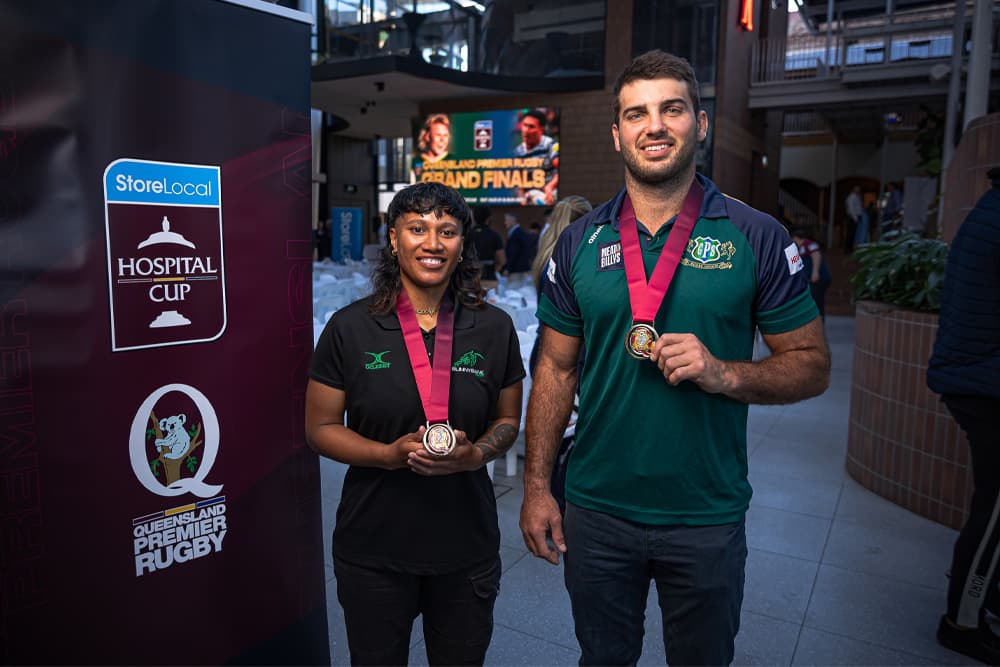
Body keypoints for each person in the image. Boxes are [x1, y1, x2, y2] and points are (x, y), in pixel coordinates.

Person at [519, 50, 830, 666]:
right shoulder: (581, 242)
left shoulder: (755, 235)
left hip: (705, 512)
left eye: (672, 109)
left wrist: (725, 372)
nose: (653, 125)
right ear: (617, 133)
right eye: (636, 113)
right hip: (598, 509)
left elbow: (813, 363)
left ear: (701, 123)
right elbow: (553, 370)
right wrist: (535, 488)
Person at [305, 182, 525, 666]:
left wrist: (478, 453)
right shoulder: (349, 327)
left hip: (465, 549)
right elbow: (319, 427)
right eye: (417, 228)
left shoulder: (494, 327)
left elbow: (508, 419)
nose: (432, 243)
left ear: (462, 243)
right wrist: (385, 455)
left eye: (446, 231)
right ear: (393, 238)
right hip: (374, 548)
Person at [926, 167, 1000, 665]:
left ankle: (980, 590)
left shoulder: (987, 210)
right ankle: (964, 620)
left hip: (973, 376)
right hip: (984, 383)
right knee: (996, 511)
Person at [515, 109, 559, 205]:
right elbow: (517, 182)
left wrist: (550, 187)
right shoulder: (518, 152)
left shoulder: (550, 144)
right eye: (524, 125)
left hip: (550, 193)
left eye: (531, 127)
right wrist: (521, 197)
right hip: (530, 196)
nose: (526, 130)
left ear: (541, 130)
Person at [790, 226, 832, 320]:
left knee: (817, 302)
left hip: (818, 280)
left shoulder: (809, 244)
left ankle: (819, 321)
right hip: (811, 281)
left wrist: (815, 272)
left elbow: (816, 255)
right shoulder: (798, 249)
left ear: (796, 238)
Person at [470, 204, 506, 291]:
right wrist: (495, 269)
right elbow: (502, 260)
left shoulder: (467, 235)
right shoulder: (494, 236)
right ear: (489, 218)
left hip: (470, 280)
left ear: (474, 218)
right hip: (490, 279)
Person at [411, 113, 451, 183]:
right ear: (427, 136)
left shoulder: (455, 161)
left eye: (445, 135)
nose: (442, 140)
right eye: (438, 135)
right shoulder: (416, 161)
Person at [502, 212, 534, 278]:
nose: (505, 223)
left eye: (506, 220)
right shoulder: (518, 232)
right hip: (519, 269)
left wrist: (508, 268)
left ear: (512, 220)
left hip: (516, 270)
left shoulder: (516, 234)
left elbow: (514, 253)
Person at [844, 185, 863, 253]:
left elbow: (858, 207)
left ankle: (850, 249)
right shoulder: (851, 197)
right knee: (850, 234)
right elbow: (851, 209)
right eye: (856, 189)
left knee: (852, 234)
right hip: (852, 217)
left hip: (855, 217)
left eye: (858, 189)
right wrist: (855, 218)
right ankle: (848, 249)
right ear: (853, 189)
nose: (858, 190)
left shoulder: (857, 197)